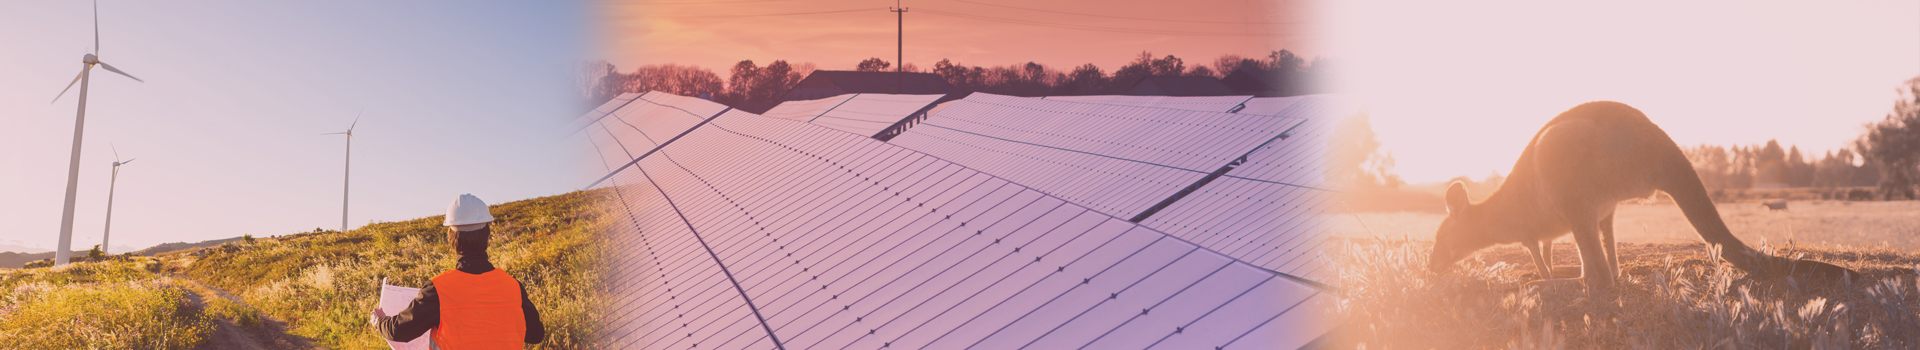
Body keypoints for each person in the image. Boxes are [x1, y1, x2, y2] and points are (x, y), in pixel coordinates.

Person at [372, 194, 545, 348]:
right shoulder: (513, 287)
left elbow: (399, 331)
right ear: (487, 238)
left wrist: (379, 321)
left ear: (452, 240)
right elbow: (536, 335)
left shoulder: (438, 290)